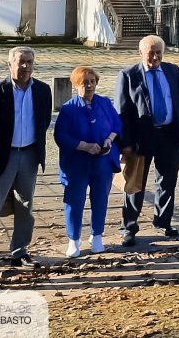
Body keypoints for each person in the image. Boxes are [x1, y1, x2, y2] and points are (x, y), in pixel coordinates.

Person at [0, 46, 52, 273]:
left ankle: (19, 253)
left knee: (25, 206)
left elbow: (44, 121)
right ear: (10, 64)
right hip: (3, 156)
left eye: (30, 61)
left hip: (29, 154)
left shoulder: (43, 90)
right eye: (21, 62)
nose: (26, 66)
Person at [114, 34, 179, 245]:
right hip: (141, 138)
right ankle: (128, 227)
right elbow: (122, 112)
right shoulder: (128, 75)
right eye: (150, 53)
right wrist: (125, 142)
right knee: (135, 183)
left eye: (158, 53)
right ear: (141, 53)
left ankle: (163, 222)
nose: (155, 57)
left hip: (169, 134)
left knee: (167, 181)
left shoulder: (172, 71)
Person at [54, 67, 122, 257]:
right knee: (74, 200)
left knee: (100, 198)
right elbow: (61, 136)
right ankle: (74, 240)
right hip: (76, 163)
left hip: (102, 161)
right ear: (76, 86)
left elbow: (117, 124)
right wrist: (84, 146)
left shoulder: (104, 103)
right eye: (85, 82)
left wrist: (109, 140)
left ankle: (97, 235)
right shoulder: (68, 109)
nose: (90, 85)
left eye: (92, 81)